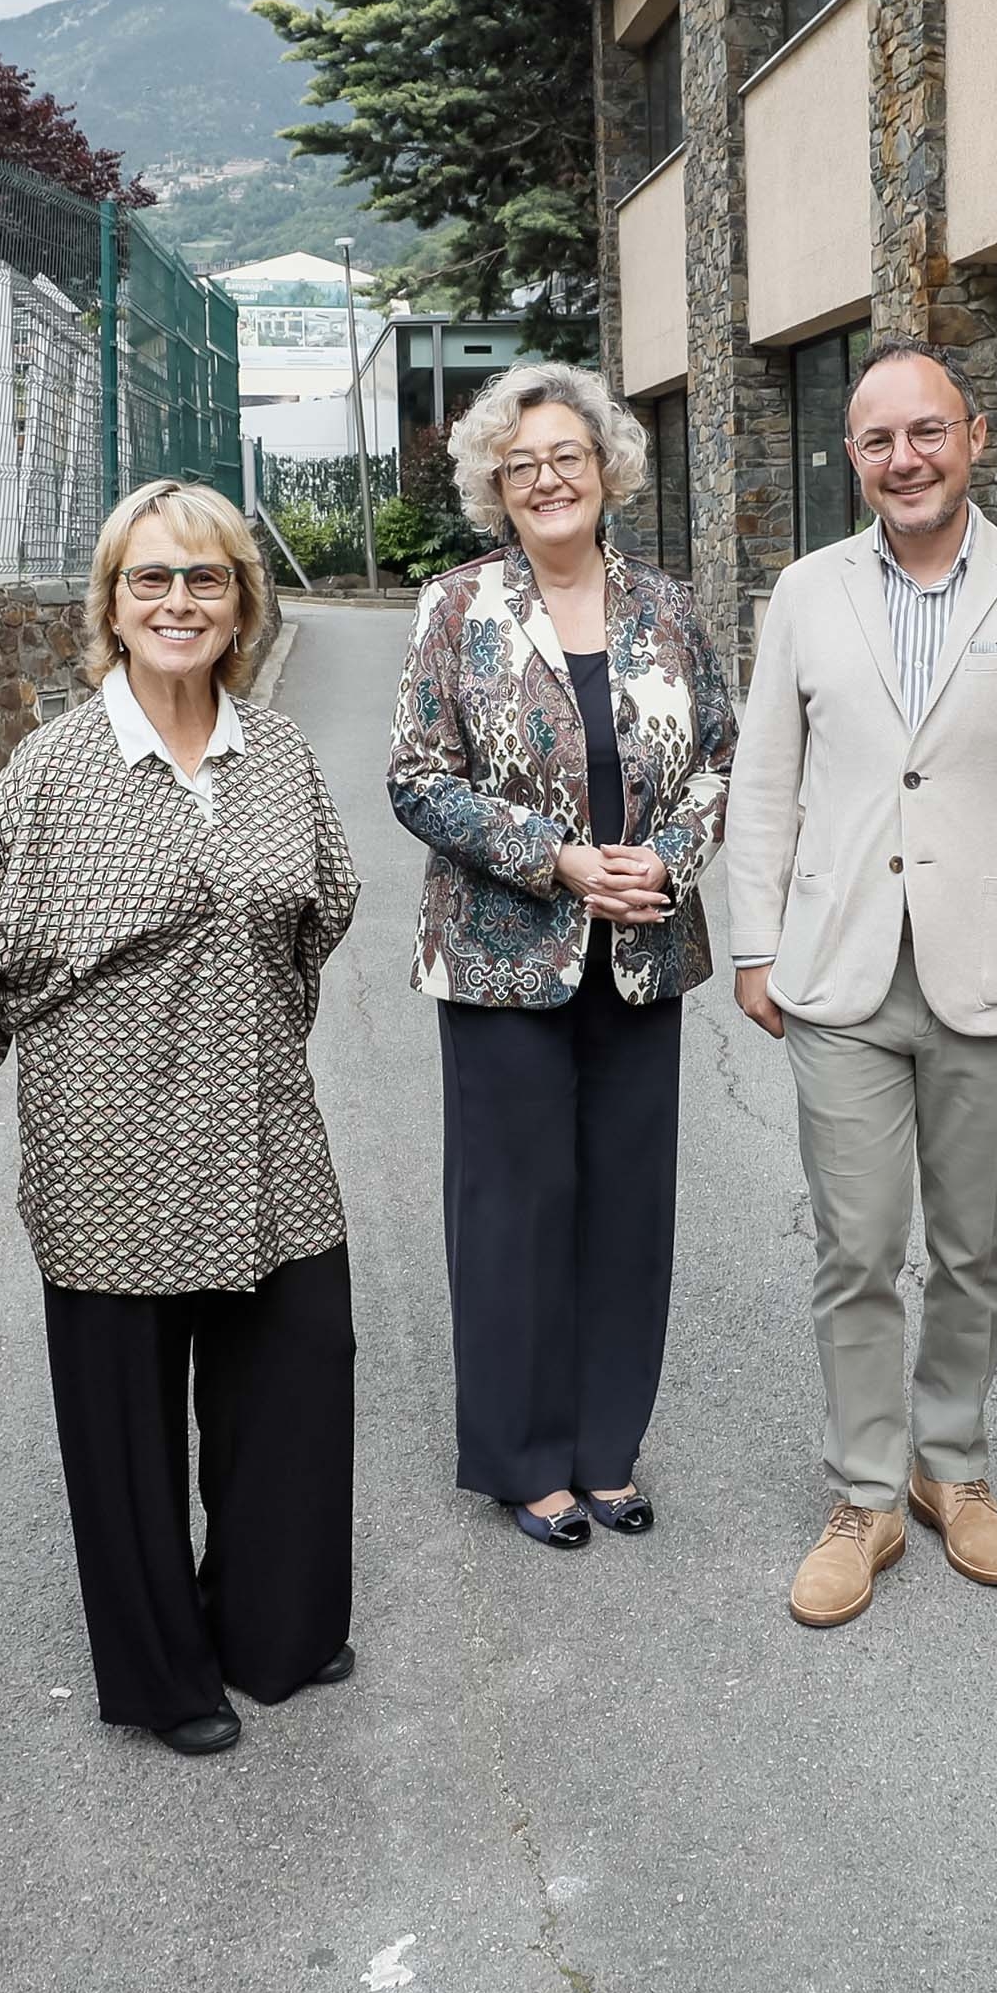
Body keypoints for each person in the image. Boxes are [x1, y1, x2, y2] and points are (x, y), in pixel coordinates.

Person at [0, 479, 360, 1753]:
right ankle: (162, 1672)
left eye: (205, 578)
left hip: (262, 1126)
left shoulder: (277, 751)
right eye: (150, 580)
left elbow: (322, 910)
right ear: (111, 606)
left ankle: (273, 1625)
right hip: (108, 1149)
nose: (178, 601)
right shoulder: (53, 771)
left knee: (295, 1375)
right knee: (126, 1425)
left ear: (241, 601)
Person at [719, 341, 997, 1627]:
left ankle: (954, 1465)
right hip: (840, 975)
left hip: (994, 974)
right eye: (878, 441)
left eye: (926, 432)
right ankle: (866, 1490)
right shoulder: (805, 592)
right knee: (857, 1247)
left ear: (974, 436)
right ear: (851, 457)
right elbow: (764, 778)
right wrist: (754, 941)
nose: (904, 459)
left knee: (973, 1247)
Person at [389, 363, 736, 1545]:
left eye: (566, 458)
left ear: (606, 471)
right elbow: (415, 777)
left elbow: (719, 758)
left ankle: (604, 1448)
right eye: (521, 464)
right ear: (498, 484)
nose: (546, 479)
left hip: (640, 953)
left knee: (626, 1211)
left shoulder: (668, 607)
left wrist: (670, 855)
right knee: (511, 1210)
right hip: (499, 960)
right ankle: (524, 1455)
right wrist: (558, 859)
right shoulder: (455, 607)